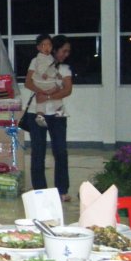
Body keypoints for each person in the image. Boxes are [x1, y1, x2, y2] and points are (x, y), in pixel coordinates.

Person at [24, 34, 73, 202]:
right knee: (38, 152)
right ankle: (40, 190)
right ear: (55, 49)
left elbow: (67, 90)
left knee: (61, 152)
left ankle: (62, 190)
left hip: (58, 114)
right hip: (36, 112)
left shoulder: (64, 68)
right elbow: (28, 82)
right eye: (64, 51)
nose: (66, 54)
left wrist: (49, 97)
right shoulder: (37, 61)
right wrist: (41, 92)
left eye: (68, 51)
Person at [29, 34, 65, 127]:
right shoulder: (39, 58)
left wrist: (57, 74)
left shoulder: (51, 58)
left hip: (46, 84)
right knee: (55, 99)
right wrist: (43, 74)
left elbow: (53, 68)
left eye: (49, 45)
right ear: (38, 47)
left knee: (41, 103)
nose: (47, 47)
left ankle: (40, 116)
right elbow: (40, 68)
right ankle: (60, 114)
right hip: (43, 83)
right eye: (43, 45)